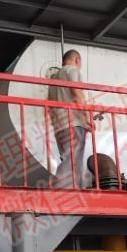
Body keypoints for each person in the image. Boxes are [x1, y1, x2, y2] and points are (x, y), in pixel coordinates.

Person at [48, 49, 92, 189]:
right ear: (77, 60)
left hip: (59, 125)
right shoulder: (73, 70)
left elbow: (50, 104)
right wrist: (86, 118)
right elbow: (77, 93)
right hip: (73, 122)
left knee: (70, 159)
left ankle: (75, 189)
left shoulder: (53, 79)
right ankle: (61, 190)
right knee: (72, 160)